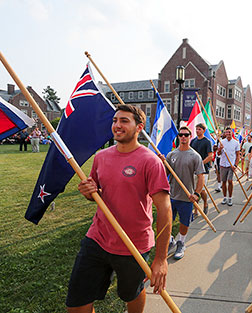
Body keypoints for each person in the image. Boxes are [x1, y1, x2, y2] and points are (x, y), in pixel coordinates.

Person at [69, 104, 172, 313]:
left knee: (130, 294)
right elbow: (96, 194)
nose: (117, 125)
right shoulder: (101, 157)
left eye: (124, 121)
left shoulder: (150, 161)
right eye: (115, 120)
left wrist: (161, 259)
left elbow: (165, 209)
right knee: (76, 303)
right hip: (97, 238)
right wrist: (88, 191)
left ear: (139, 127)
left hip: (134, 245)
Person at [164, 125, 205, 260]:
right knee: (167, 221)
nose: (183, 137)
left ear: (189, 137)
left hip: (187, 197)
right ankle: (171, 240)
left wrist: (197, 194)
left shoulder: (195, 156)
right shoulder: (171, 155)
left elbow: (201, 177)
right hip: (171, 195)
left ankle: (181, 243)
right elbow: (164, 175)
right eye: (181, 135)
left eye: (186, 135)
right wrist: (161, 163)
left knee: (184, 223)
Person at [190, 123, 213, 215]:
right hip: (193, 169)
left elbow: (210, 156)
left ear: (203, 130)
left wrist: (201, 163)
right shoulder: (193, 141)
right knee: (194, 190)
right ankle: (196, 210)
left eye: (199, 129)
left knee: (201, 189)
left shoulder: (207, 142)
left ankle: (205, 203)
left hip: (204, 170)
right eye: (196, 129)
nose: (197, 131)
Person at [217, 127, 240, 206]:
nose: (228, 134)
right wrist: (220, 149)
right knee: (223, 181)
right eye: (226, 132)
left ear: (232, 133)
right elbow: (218, 154)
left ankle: (230, 198)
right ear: (225, 133)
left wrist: (235, 165)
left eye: (229, 132)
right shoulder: (221, 142)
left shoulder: (236, 142)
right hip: (223, 164)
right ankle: (224, 197)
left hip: (231, 165)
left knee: (230, 181)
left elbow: (238, 155)